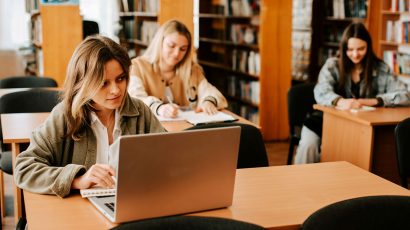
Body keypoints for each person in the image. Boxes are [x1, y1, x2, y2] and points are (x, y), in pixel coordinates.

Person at [14, 35, 166, 198]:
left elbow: (170, 157)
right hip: (77, 213)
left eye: (120, 79)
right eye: (103, 83)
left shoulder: (140, 111)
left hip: (133, 203)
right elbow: (24, 169)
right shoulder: (65, 115)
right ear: (83, 83)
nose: (115, 90)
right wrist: (78, 180)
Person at [294, 22, 410, 164]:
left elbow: (406, 94)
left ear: (368, 46)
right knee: (309, 146)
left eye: (361, 49)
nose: (355, 54)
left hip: (361, 127)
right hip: (324, 121)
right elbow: (321, 91)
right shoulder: (333, 65)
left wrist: (374, 101)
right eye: (350, 49)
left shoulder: (380, 68)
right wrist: (341, 102)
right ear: (343, 48)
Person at [128, 19, 227, 118]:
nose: (176, 54)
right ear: (160, 43)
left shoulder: (192, 69)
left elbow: (211, 92)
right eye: (171, 46)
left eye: (183, 49)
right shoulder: (137, 66)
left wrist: (208, 101)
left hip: (185, 128)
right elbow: (135, 98)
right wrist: (158, 108)